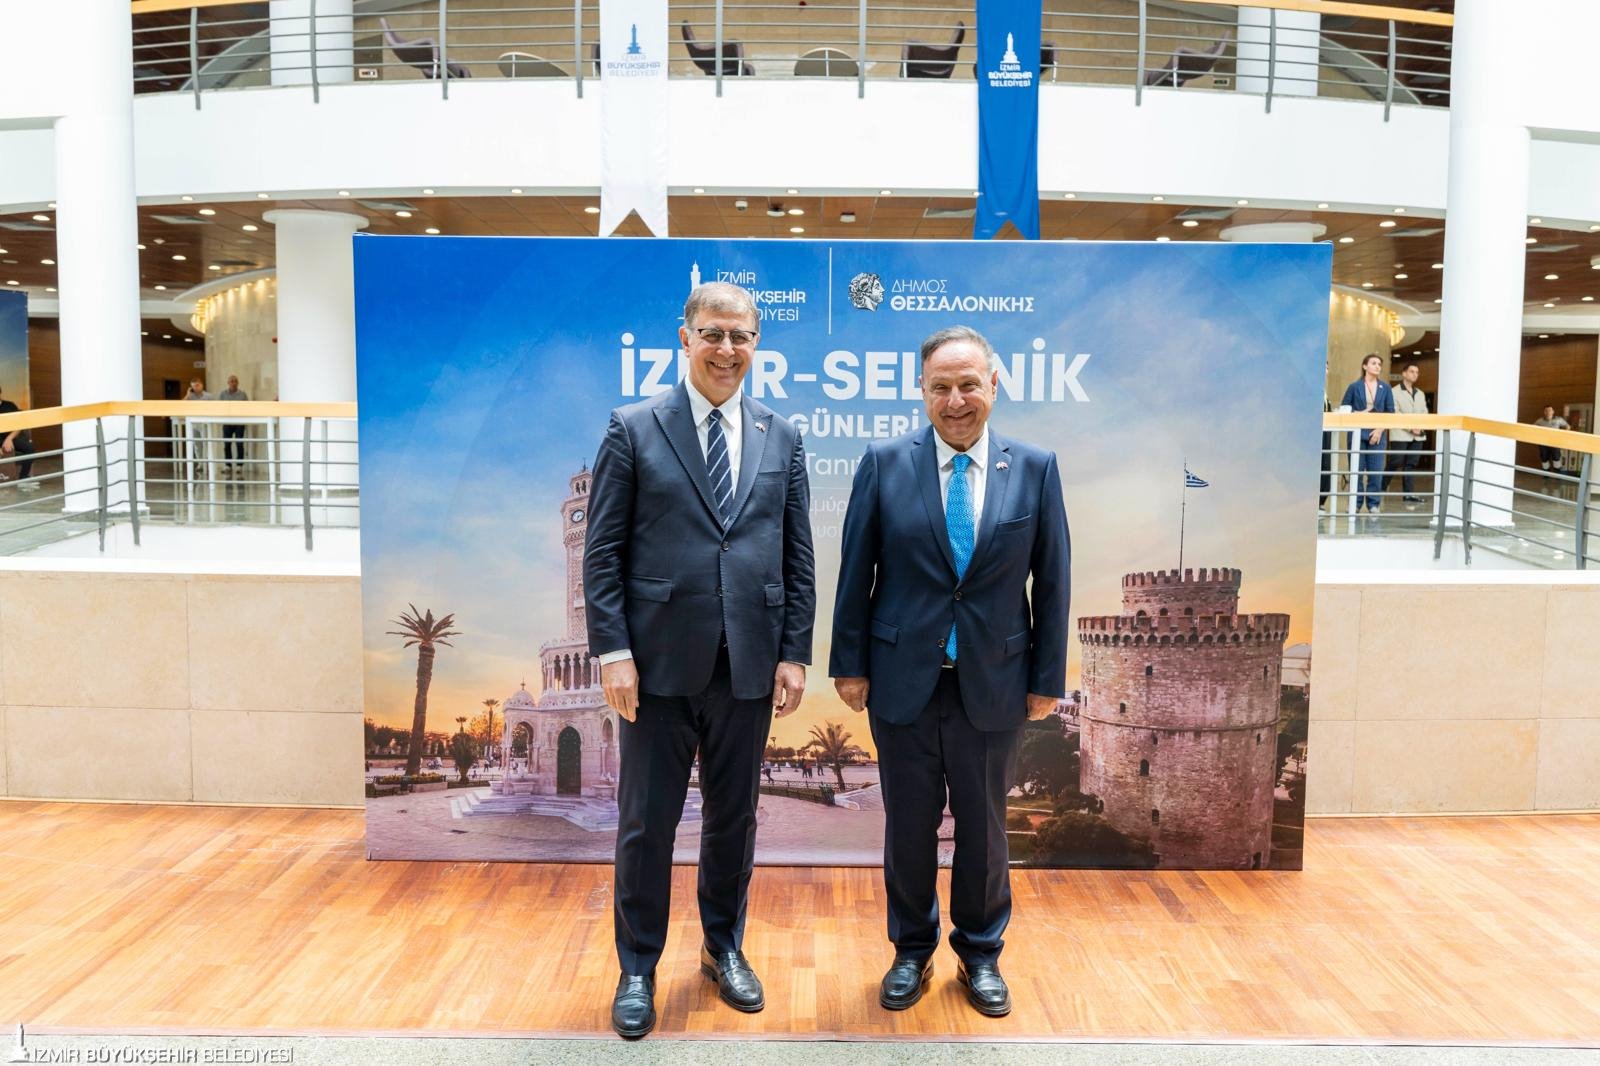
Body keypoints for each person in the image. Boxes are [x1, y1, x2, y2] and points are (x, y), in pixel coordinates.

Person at [584, 281, 816, 1039]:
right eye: (712, 334)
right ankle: (638, 967)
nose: (726, 349)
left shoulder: (783, 436)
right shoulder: (633, 427)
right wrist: (613, 650)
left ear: (756, 344)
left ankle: (723, 948)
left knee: (734, 821)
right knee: (645, 823)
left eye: (740, 336)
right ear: (684, 339)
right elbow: (603, 552)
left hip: (747, 664)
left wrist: (793, 653)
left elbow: (797, 554)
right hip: (653, 669)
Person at [830, 325, 1071, 1018]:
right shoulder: (884, 464)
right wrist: (849, 664)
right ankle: (911, 951)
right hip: (901, 680)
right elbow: (856, 570)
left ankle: (981, 953)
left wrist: (1046, 678)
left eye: (969, 384)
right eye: (941, 387)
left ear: (993, 385)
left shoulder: (1035, 468)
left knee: (985, 829)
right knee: (907, 829)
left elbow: (1052, 579)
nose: (956, 400)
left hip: (994, 683)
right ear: (922, 391)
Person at [1340, 354, 1396, 514]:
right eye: (1373, 363)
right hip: (1357, 432)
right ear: (1365, 366)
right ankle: (1355, 503)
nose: (1377, 366)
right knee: (1356, 471)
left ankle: (1373, 504)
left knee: (1375, 471)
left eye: (1379, 364)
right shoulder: (1354, 387)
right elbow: (1344, 408)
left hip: (1378, 433)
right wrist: (1356, 413)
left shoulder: (1385, 388)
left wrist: (1379, 430)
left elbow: (1390, 412)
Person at [1386, 363, 1430, 504]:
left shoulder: (1420, 393)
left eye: (1417, 372)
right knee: (1395, 461)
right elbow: (1395, 412)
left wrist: (1419, 428)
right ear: (1404, 373)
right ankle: (1380, 488)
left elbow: (1424, 412)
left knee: (1412, 463)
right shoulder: (1394, 391)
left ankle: (1408, 494)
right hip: (1400, 433)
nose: (1415, 374)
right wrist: (1411, 428)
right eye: (1412, 371)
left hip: (1418, 435)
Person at [0, 385, 40, 493]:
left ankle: (23, 478)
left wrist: (9, 438)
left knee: (29, 448)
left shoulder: (10, 405)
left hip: (10, 437)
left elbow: (19, 425)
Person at [218, 374, 249, 476]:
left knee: (239, 444)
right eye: (231, 381)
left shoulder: (243, 394)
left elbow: (247, 407)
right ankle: (228, 465)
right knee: (227, 444)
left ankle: (239, 465)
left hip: (239, 422)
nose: (233, 383)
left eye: (235, 381)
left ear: (238, 383)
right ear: (228, 383)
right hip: (227, 422)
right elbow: (219, 407)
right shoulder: (223, 394)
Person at [1534, 406, 1570, 474]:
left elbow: (1567, 426)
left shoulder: (1558, 419)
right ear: (1544, 412)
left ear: (1553, 412)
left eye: (1550, 410)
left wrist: (1563, 436)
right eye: (1546, 410)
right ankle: (1546, 473)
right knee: (1544, 458)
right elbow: (1533, 428)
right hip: (1543, 443)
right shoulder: (1540, 421)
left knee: (1556, 457)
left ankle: (1557, 473)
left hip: (1555, 442)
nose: (1548, 412)